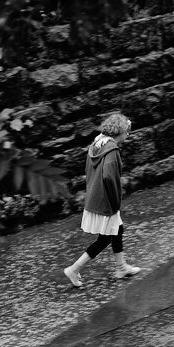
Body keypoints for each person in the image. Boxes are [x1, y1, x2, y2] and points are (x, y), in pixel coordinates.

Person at [63, 111, 141, 287]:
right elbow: (109, 178)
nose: (127, 135)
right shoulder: (112, 151)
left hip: (95, 197)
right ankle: (74, 269)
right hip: (106, 202)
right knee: (105, 239)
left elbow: (89, 171)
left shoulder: (96, 144)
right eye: (126, 132)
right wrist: (115, 203)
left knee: (117, 230)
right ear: (119, 132)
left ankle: (122, 267)